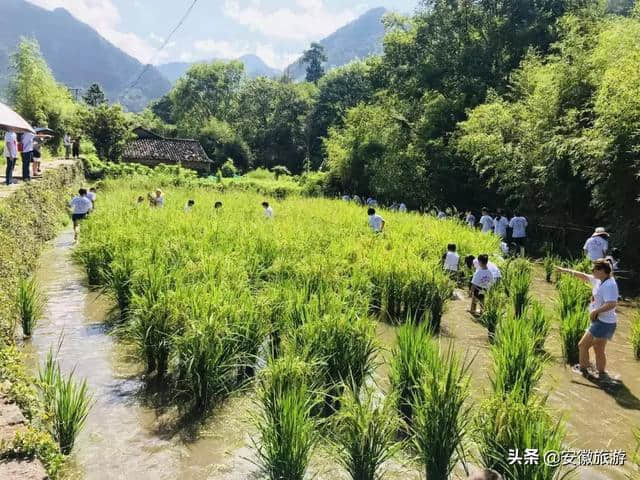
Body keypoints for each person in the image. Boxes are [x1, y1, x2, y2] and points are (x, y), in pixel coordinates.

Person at [557, 259, 619, 378]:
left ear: (603, 270)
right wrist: (564, 270)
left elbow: (612, 303)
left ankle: (583, 371)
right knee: (599, 348)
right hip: (607, 322)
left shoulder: (610, 285)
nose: (592, 271)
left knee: (582, 345)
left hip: (603, 322)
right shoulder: (599, 280)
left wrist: (596, 311)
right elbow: (583, 276)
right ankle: (602, 374)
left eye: (595, 268)